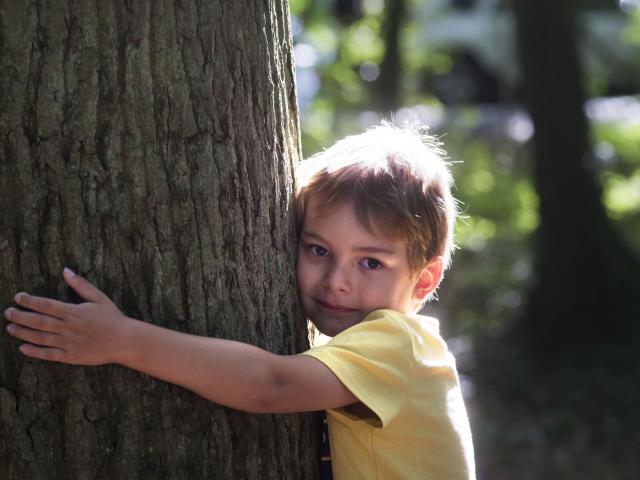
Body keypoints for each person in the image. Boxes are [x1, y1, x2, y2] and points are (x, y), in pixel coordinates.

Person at [4, 123, 476, 479]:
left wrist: (122, 340)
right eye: (318, 250)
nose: (336, 281)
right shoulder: (383, 346)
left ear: (423, 279)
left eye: (370, 262)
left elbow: (270, 384)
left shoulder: (396, 344)